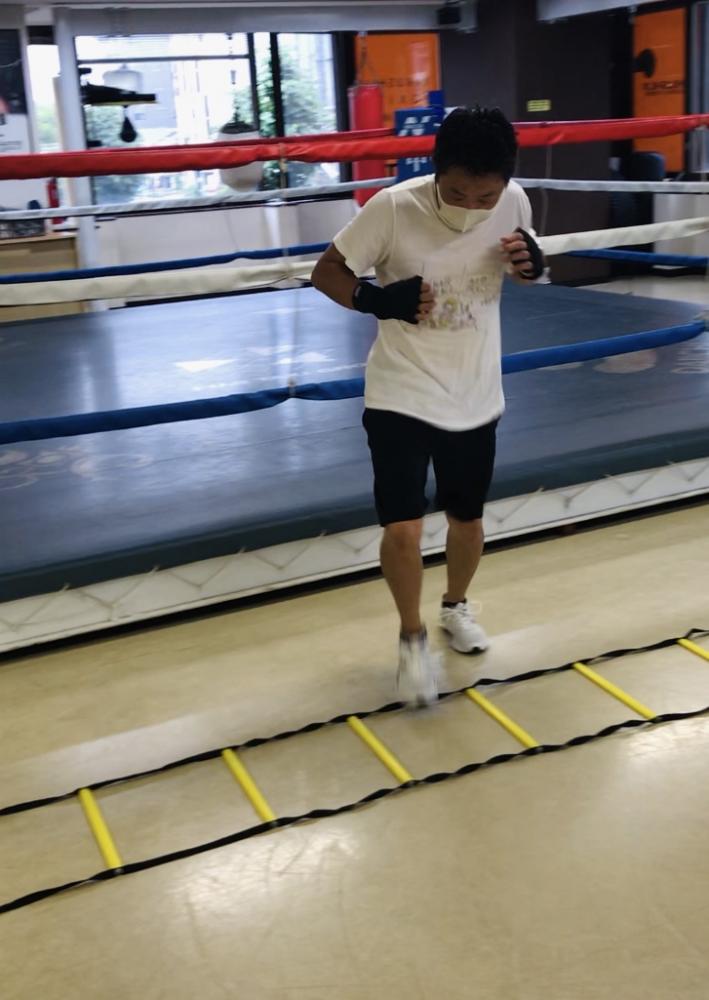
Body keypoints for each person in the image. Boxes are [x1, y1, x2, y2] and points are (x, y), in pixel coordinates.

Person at [311, 106, 546, 707]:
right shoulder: (393, 207)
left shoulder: (513, 200)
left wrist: (533, 267)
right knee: (404, 525)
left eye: (484, 197)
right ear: (437, 171)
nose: (471, 206)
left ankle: (454, 607)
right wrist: (374, 299)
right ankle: (411, 637)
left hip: (475, 391)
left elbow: (520, 270)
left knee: (467, 520)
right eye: (458, 192)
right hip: (401, 390)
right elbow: (326, 271)